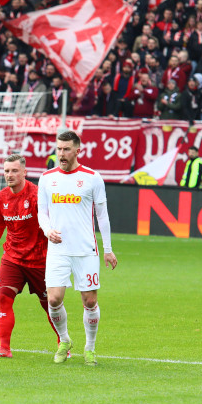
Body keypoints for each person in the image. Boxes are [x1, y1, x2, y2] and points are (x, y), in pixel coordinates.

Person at [37, 130, 118, 366]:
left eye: (66, 149)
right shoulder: (46, 178)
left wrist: (108, 249)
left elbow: (102, 216)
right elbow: (42, 212)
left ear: (77, 150)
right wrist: (47, 230)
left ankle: (90, 349)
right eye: (59, 149)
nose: (61, 154)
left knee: (90, 301)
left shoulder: (93, 178)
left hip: (85, 250)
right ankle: (64, 340)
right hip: (58, 250)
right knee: (53, 299)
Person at [0, 154, 58, 358]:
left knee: (50, 305)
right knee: (4, 296)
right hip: (12, 258)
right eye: (6, 171)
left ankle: (62, 342)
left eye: (14, 171)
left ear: (24, 172)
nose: (9, 175)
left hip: (40, 259)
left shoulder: (37, 195)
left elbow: (53, 222)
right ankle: (4, 348)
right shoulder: (2, 197)